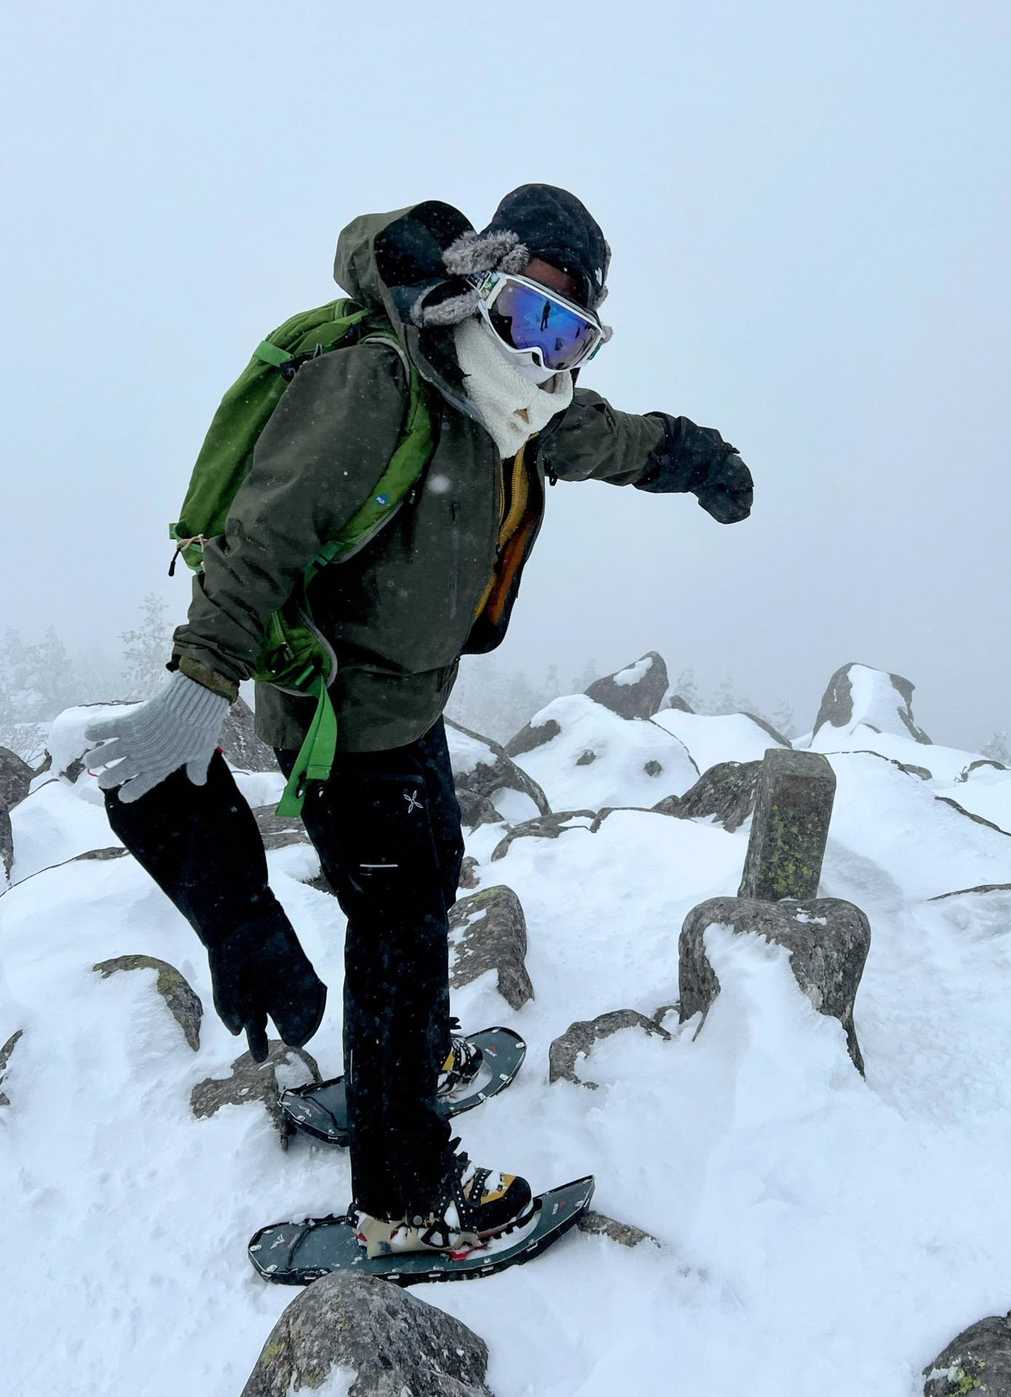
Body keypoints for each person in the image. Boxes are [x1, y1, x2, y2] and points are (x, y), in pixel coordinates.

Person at [87, 185, 754, 1258]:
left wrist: (701, 459)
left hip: (410, 703)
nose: (538, 351)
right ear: (481, 280)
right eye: (526, 312)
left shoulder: (520, 407)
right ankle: (405, 1197)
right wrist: (201, 677)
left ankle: (412, 1055)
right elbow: (265, 532)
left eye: (566, 332)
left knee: (427, 879)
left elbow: (615, 440)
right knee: (397, 928)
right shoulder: (381, 381)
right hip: (341, 717)